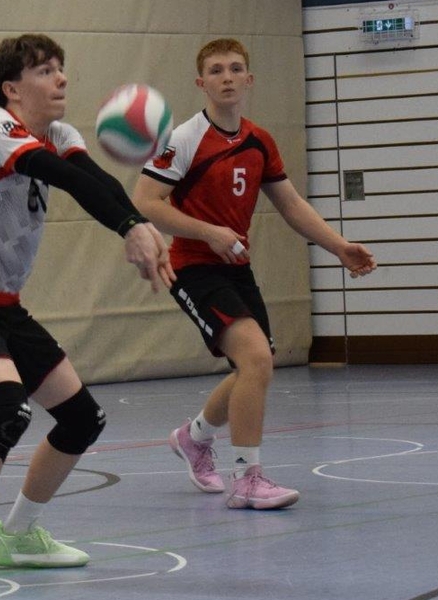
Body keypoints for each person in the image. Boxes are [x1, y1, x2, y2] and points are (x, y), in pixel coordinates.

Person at [0, 34, 173, 600]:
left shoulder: (60, 134)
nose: (61, 79)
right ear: (12, 88)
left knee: (82, 419)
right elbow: (64, 178)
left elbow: (94, 181)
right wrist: (129, 227)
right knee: (9, 409)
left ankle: (16, 535)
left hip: (4, 307)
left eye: (62, 68)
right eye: (46, 71)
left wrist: (136, 223)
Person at [132, 38, 376, 511]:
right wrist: (209, 232)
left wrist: (339, 246)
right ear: (201, 83)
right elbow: (145, 202)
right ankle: (247, 479)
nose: (226, 77)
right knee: (257, 359)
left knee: (255, 367)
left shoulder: (259, 140)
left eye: (235, 68)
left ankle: (193, 438)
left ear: (249, 79)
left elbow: (291, 204)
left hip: (237, 268)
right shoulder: (183, 140)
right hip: (192, 268)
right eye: (216, 70)